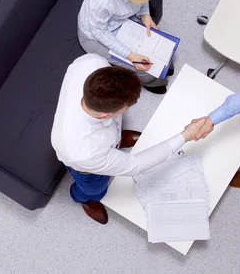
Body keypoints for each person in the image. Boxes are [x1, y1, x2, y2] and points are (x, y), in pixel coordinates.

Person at [51, 54, 206, 224]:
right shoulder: (85, 152)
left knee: (113, 134)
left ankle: (115, 143)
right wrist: (186, 135)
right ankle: (84, 199)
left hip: (104, 140)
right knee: (95, 189)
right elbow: (136, 165)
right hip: (88, 170)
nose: (126, 110)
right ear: (106, 115)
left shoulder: (92, 62)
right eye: (125, 108)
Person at [77, 0, 172, 94]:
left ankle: (164, 67)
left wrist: (145, 14)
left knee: (159, 46)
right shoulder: (102, 0)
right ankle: (152, 82)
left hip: (122, 18)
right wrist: (131, 56)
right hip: (95, 34)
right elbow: (99, 32)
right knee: (144, 68)